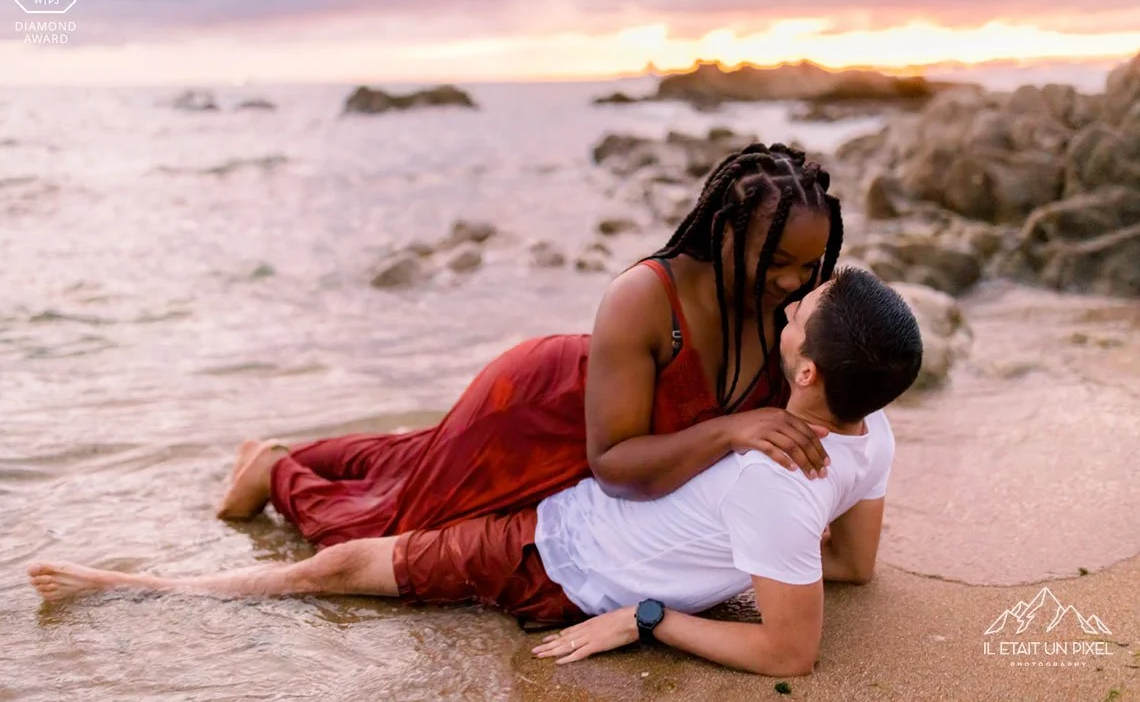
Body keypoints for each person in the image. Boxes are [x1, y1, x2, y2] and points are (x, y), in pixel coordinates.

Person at [29, 268, 923, 677]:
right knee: (419, 461)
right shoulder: (872, 431)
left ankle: (134, 584)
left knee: (343, 565)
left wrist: (649, 617)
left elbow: (790, 654)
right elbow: (851, 565)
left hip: (550, 554)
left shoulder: (779, 479)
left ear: (807, 373)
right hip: (583, 491)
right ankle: (276, 467)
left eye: (800, 312)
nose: (789, 306)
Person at [215, 143, 847, 548]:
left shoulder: (790, 307)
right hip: (534, 409)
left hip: (575, 423)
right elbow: (616, 466)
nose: (794, 281)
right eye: (777, 261)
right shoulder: (647, 297)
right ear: (723, 232)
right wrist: (732, 431)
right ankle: (275, 470)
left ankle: (283, 453)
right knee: (395, 526)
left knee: (409, 460)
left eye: (809, 263)